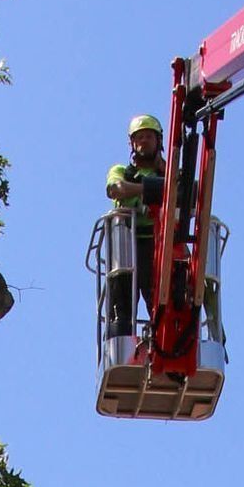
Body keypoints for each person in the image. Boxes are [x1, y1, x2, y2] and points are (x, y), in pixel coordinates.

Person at [104, 113, 165, 333]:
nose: (144, 141)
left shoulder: (170, 173)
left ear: (158, 141)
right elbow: (116, 188)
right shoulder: (122, 171)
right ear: (132, 143)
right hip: (127, 243)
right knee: (122, 295)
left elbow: (186, 194)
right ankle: (120, 335)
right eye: (139, 137)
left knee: (162, 297)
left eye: (149, 136)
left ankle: (163, 336)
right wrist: (151, 189)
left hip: (159, 245)